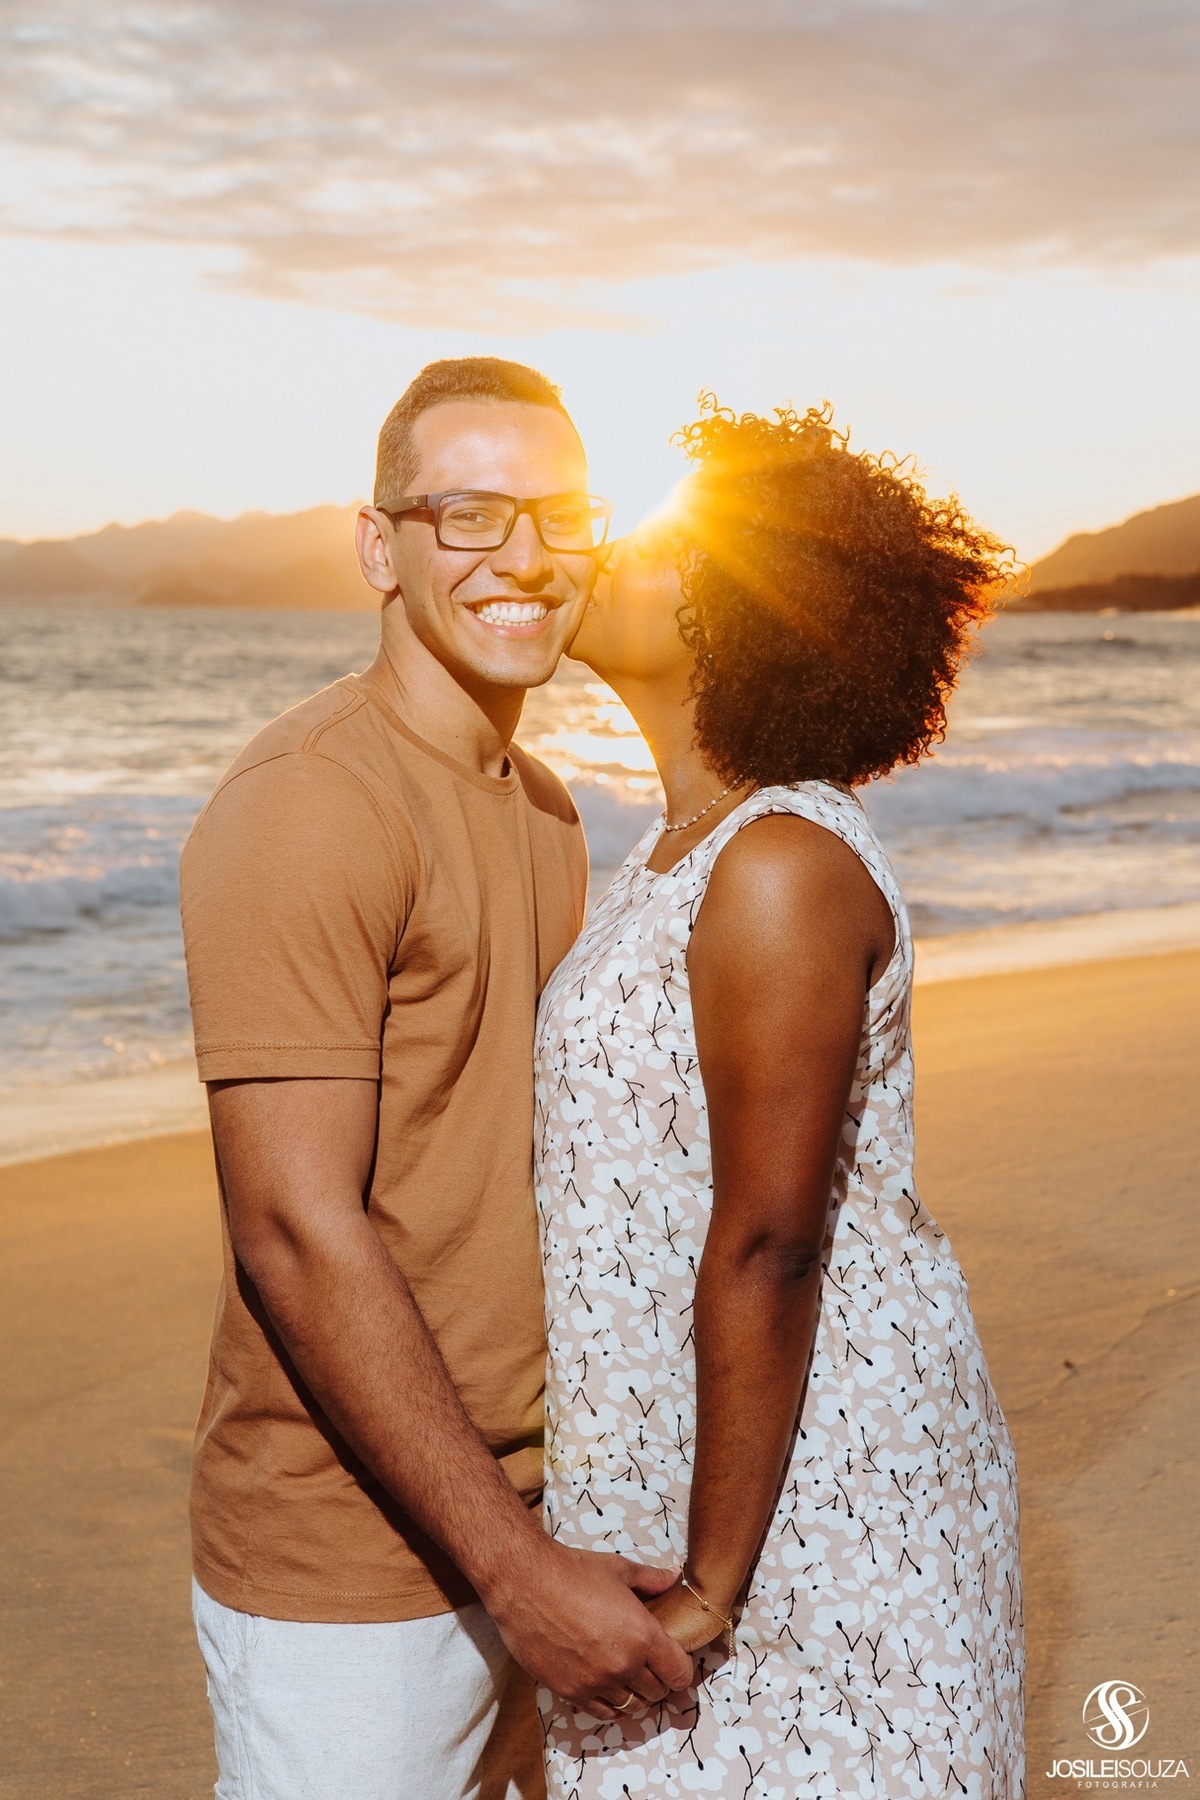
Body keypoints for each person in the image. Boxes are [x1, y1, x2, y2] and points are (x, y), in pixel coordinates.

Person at [179, 357, 692, 1800]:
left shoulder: (546, 810)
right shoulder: (311, 804)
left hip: (534, 1517)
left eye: (559, 515)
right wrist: (516, 1571)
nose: (524, 558)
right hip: (352, 1570)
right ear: (378, 546)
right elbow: (294, 1231)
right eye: (468, 514)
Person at [535, 398, 1024, 1797]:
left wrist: (713, 1583)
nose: (602, 556)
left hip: (814, 1510)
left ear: (736, 617)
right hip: (695, 1467)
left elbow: (771, 1238)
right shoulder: (679, 849)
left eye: (654, 548)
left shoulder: (778, 865)